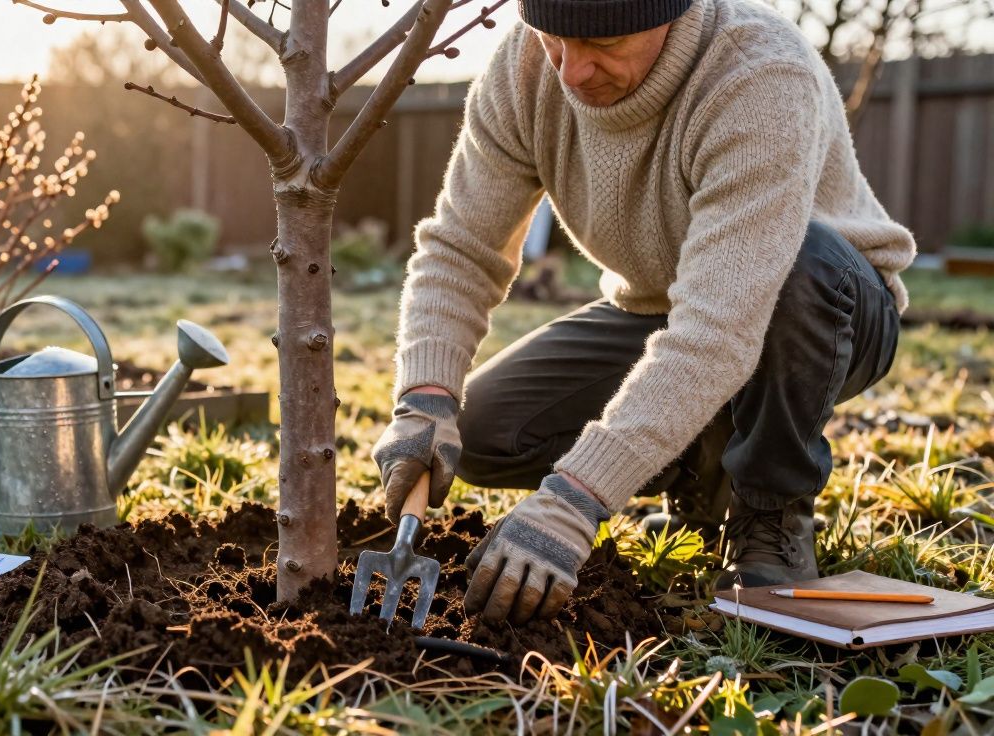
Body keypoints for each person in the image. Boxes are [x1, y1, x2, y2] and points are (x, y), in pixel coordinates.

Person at [371, 0, 916, 626]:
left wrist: (576, 499)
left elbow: (719, 330)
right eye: (555, 38)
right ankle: (705, 472)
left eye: (605, 42)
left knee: (800, 264)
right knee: (489, 432)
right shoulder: (524, 71)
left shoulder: (757, 73)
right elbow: (461, 248)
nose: (572, 72)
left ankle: (768, 509)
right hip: (662, 306)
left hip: (827, 310)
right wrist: (426, 397)